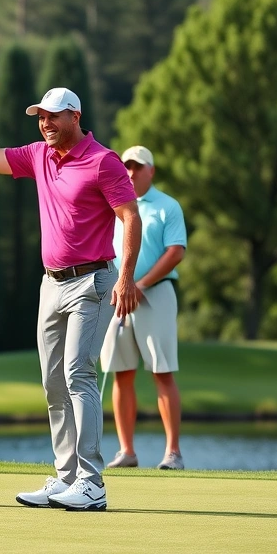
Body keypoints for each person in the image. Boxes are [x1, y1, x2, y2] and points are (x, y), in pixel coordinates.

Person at [0, 74, 142, 511]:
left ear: (75, 116)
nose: (44, 123)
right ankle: (67, 479)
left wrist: (125, 278)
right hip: (51, 283)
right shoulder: (39, 156)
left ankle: (92, 481)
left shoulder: (104, 161)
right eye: (40, 117)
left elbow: (130, 217)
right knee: (52, 383)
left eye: (52, 116)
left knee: (78, 374)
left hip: (93, 281)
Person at [101, 145, 187, 470]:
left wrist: (141, 284)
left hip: (156, 295)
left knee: (161, 372)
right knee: (121, 372)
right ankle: (127, 451)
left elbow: (176, 252)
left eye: (139, 167)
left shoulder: (167, 207)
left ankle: (173, 453)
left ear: (152, 171)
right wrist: (120, 286)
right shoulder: (112, 206)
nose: (131, 172)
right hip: (116, 296)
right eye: (127, 167)